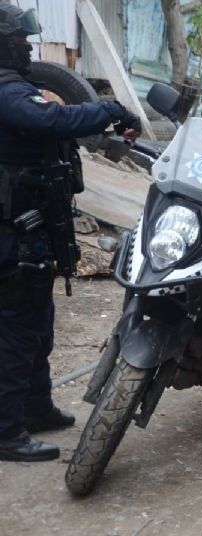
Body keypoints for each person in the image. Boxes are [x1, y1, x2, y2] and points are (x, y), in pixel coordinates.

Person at [0, 2, 141, 462]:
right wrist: (107, 110)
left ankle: (36, 407)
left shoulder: (19, 87)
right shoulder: (8, 92)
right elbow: (50, 119)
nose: (27, 44)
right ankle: (6, 431)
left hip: (29, 225)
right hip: (14, 231)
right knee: (18, 329)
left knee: (36, 323)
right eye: (19, 38)